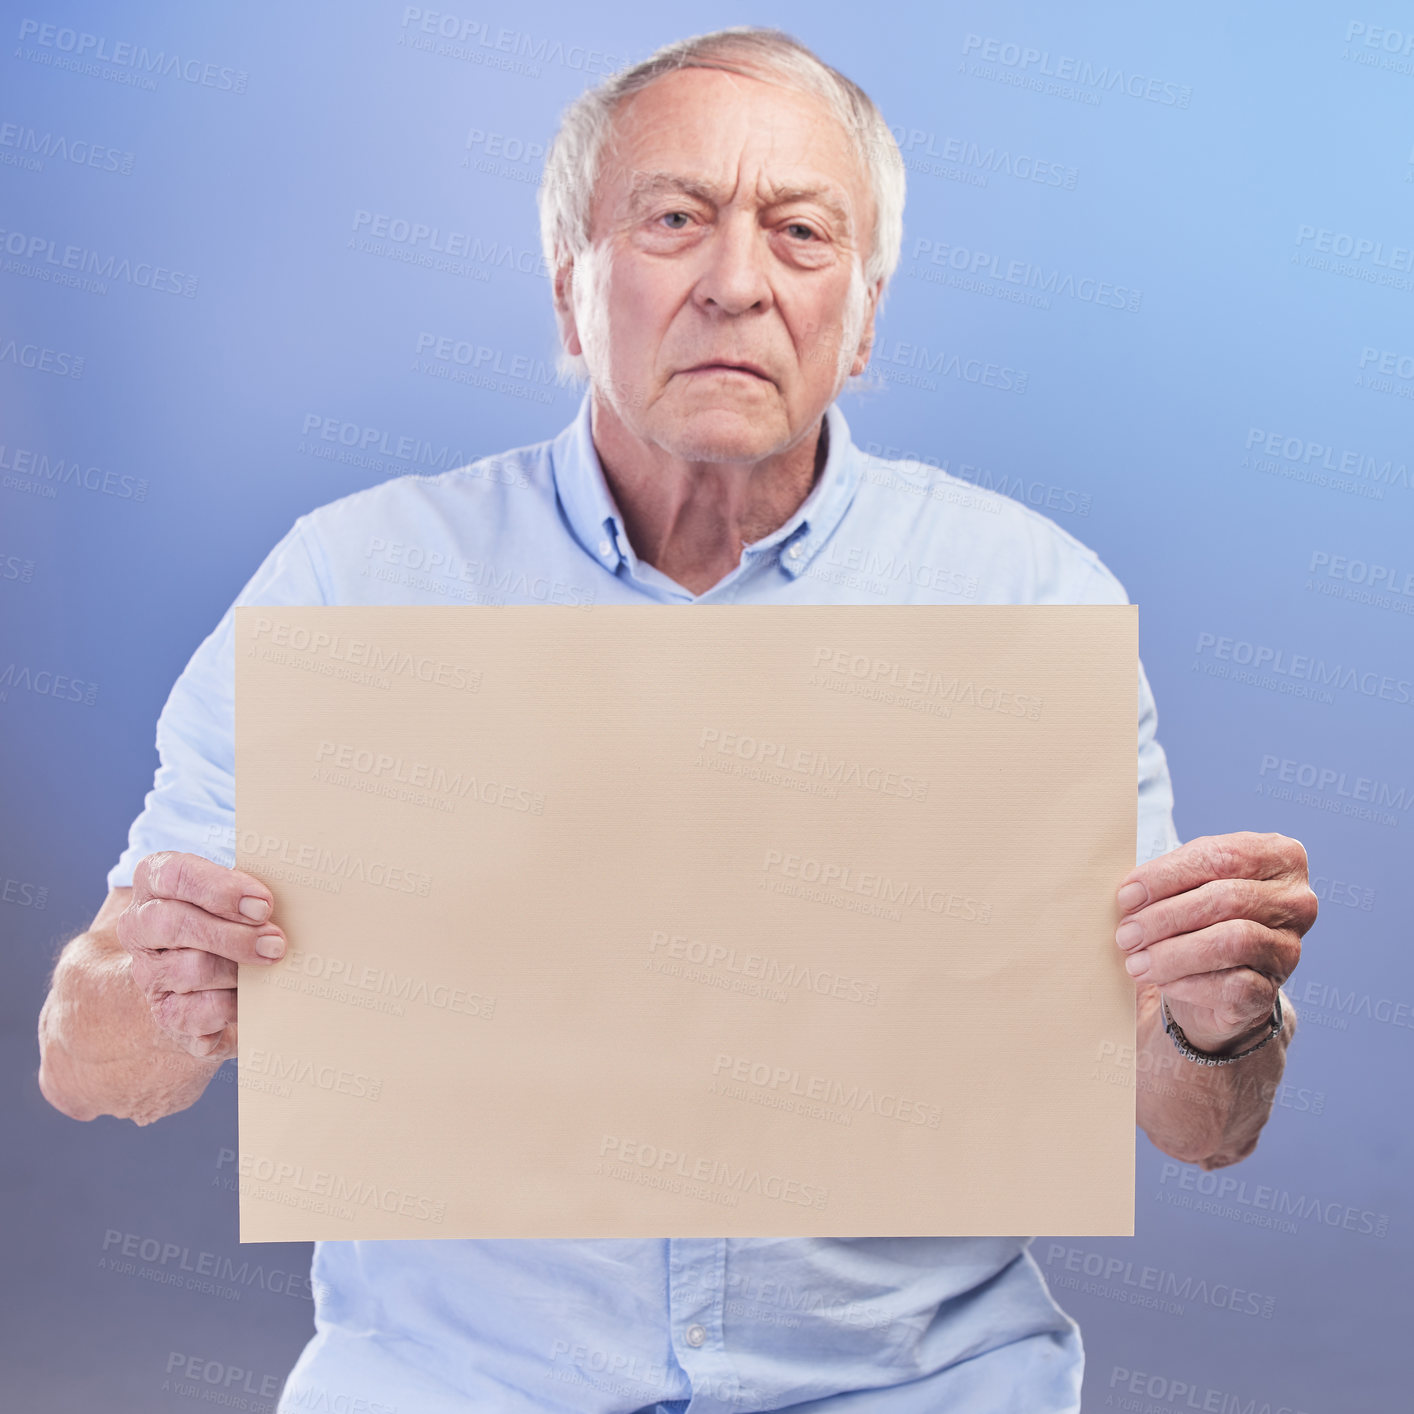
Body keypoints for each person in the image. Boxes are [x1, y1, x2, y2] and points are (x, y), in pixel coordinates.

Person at [36, 27, 1315, 1414]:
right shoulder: (356, 586)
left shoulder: (1028, 602)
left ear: (868, 314)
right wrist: (163, 986)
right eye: (672, 220)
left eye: (802, 233)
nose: (734, 284)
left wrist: (1211, 1020)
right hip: (458, 1386)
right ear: (567, 294)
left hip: (913, 1386)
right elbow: (91, 1068)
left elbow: (1196, 1129)